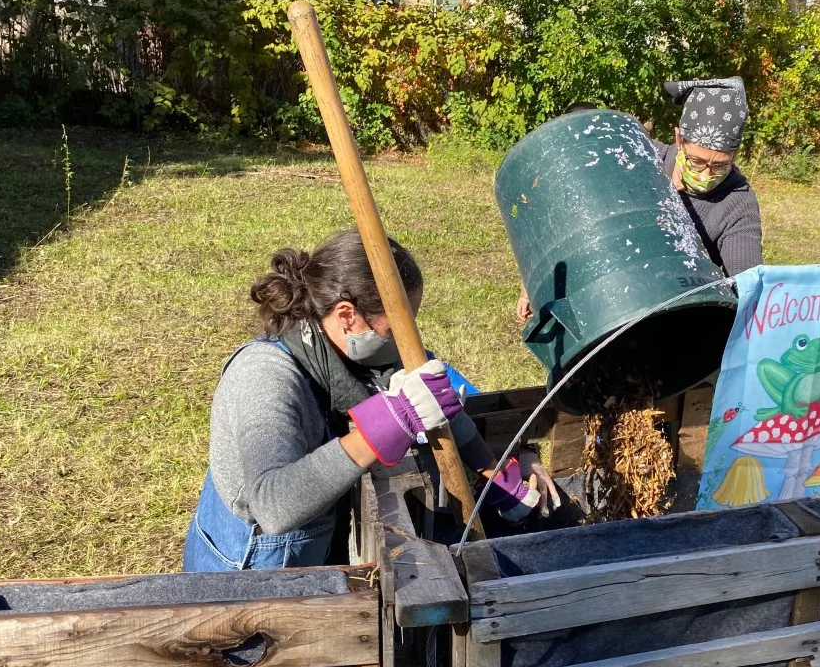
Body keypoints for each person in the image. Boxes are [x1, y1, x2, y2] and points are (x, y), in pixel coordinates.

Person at [185, 229, 559, 572]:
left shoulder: (359, 353)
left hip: (318, 542)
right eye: (394, 328)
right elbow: (273, 505)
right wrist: (385, 426)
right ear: (347, 316)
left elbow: (446, 401)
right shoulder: (264, 376)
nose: (404, 340)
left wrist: (506, 463)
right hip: (252, 562)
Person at [516, 80, 763, 322]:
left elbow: (746, 287)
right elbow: (570, 209)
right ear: (679, 139)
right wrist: (534, 285)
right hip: (606, 306)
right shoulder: (635, 157)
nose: (707, 174)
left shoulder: (737, 202)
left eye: (720, 165)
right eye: (697, 161)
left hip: (678, 317)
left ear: (735, 154)